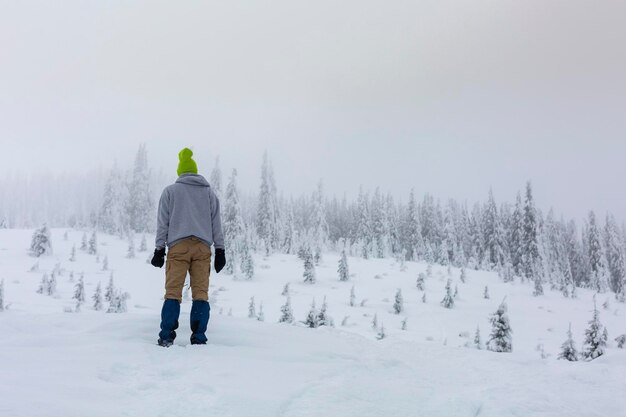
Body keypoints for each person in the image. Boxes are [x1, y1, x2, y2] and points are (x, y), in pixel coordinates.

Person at [151, 148, 225, 347]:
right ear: (195, 171)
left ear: (180, 172)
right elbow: (216, 223)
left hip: (178, 247)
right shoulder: (209, 193)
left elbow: (163, 222)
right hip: (202, 248)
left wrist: (159, 249)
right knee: (201, 293)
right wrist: (220, 250)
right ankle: (198, 337)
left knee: (173, 292)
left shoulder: (170, 192)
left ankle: (166, 335)